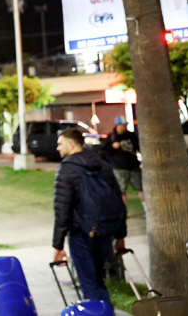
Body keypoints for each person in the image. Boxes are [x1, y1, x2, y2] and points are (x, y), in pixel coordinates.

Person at [53, 127, 127, 306]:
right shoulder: (102, 164)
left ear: (71, 144)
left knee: (89, 283)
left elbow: (62, 210)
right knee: (96, 279)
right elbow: (118, 199)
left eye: (60, 144)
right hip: (104, 230)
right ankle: (106, 310)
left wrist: (57, 245)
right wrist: (120, 236)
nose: (57, 148)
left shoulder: (67, 169)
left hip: (81, 233)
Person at [102, 116, 145, 212]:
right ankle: (123, 211)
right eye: (122, 125)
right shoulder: (111, 137)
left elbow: (138, 146)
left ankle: (146, 208)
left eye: (125, 125)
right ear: (117, 125)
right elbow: (104, 152)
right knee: (121, 190)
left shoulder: (131, 135)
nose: (124, 127)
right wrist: (113, 147)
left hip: (133, 166)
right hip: (119, 168)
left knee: (141, 188)